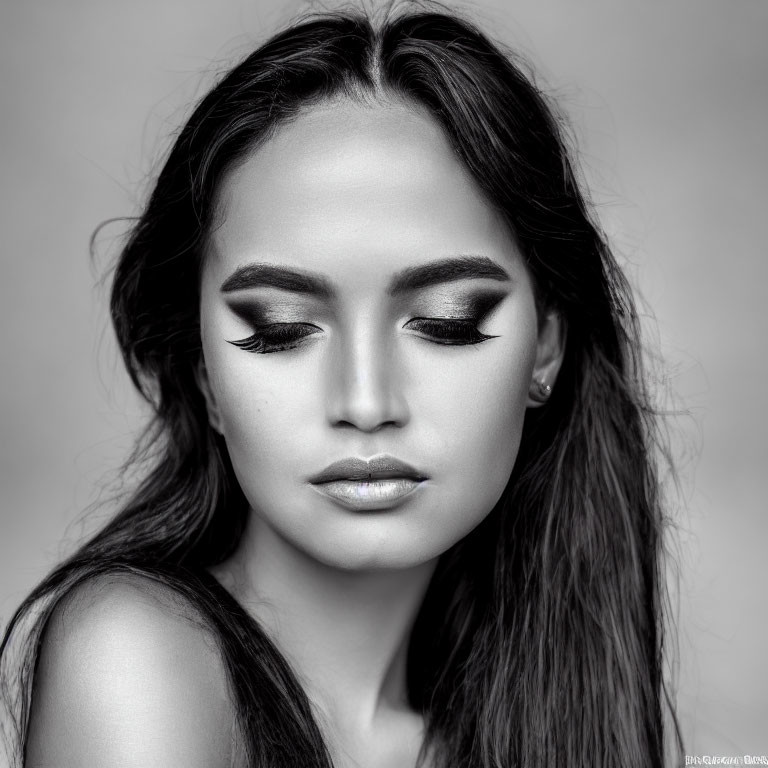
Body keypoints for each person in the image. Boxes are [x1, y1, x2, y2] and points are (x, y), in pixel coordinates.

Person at [0, 4, 680, 767]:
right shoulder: (134, 657)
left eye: (447, 321)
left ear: (545, 348)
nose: (364, 403)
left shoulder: (544, 721)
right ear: (203, 373)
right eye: (281, 329)